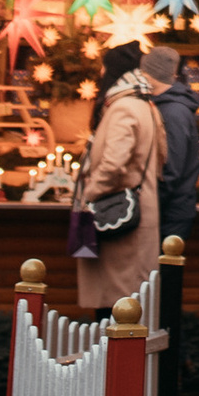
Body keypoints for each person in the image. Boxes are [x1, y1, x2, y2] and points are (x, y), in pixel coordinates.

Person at [72, 49, 165, 320]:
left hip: (119, 222)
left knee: (114, 310)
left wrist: (89, 193)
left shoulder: (124, 108)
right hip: (138, 214)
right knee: (129, 305)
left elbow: (113, 165)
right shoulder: (145, 104)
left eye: (104, 69)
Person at [142, 43, 199, 246]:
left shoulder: (173, 113)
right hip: (169, 210)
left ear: (151, 74)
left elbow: (170, 169)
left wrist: (147, 206)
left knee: (165, 274)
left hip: (170, 214)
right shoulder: (166, 106)